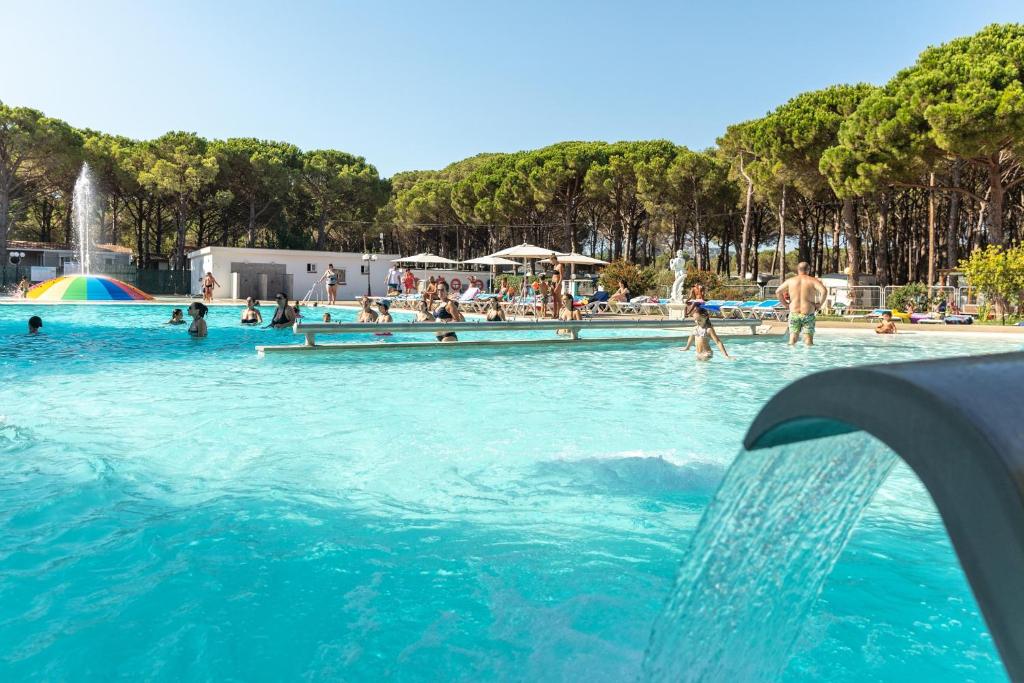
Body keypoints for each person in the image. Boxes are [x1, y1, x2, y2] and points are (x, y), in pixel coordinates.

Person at [776, 262, 827, 346]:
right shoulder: (813, 280)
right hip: (808, 314)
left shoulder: (790, 281)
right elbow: (824, 291)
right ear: (808, 270)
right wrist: (819, 305)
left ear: (797, 270)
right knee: (808, 341)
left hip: (794, 314)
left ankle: (791, 353)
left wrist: (786, 304)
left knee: (792, 340)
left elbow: (778, 292)